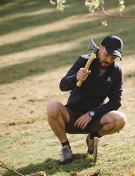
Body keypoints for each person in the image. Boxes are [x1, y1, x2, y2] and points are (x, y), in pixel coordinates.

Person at [47, 35, 127, 164]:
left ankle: (93, 138)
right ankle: (65, 148)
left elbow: (116, 101)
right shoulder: (83, 61)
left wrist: (92, 113)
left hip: (94, 118)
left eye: (113, 58)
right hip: (72, 116)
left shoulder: (116, 72)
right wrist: (76, 77)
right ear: (100, 48)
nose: (108, 60)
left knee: (120, 119)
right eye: (107, 55)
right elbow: (63, 85)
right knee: (52, 107)